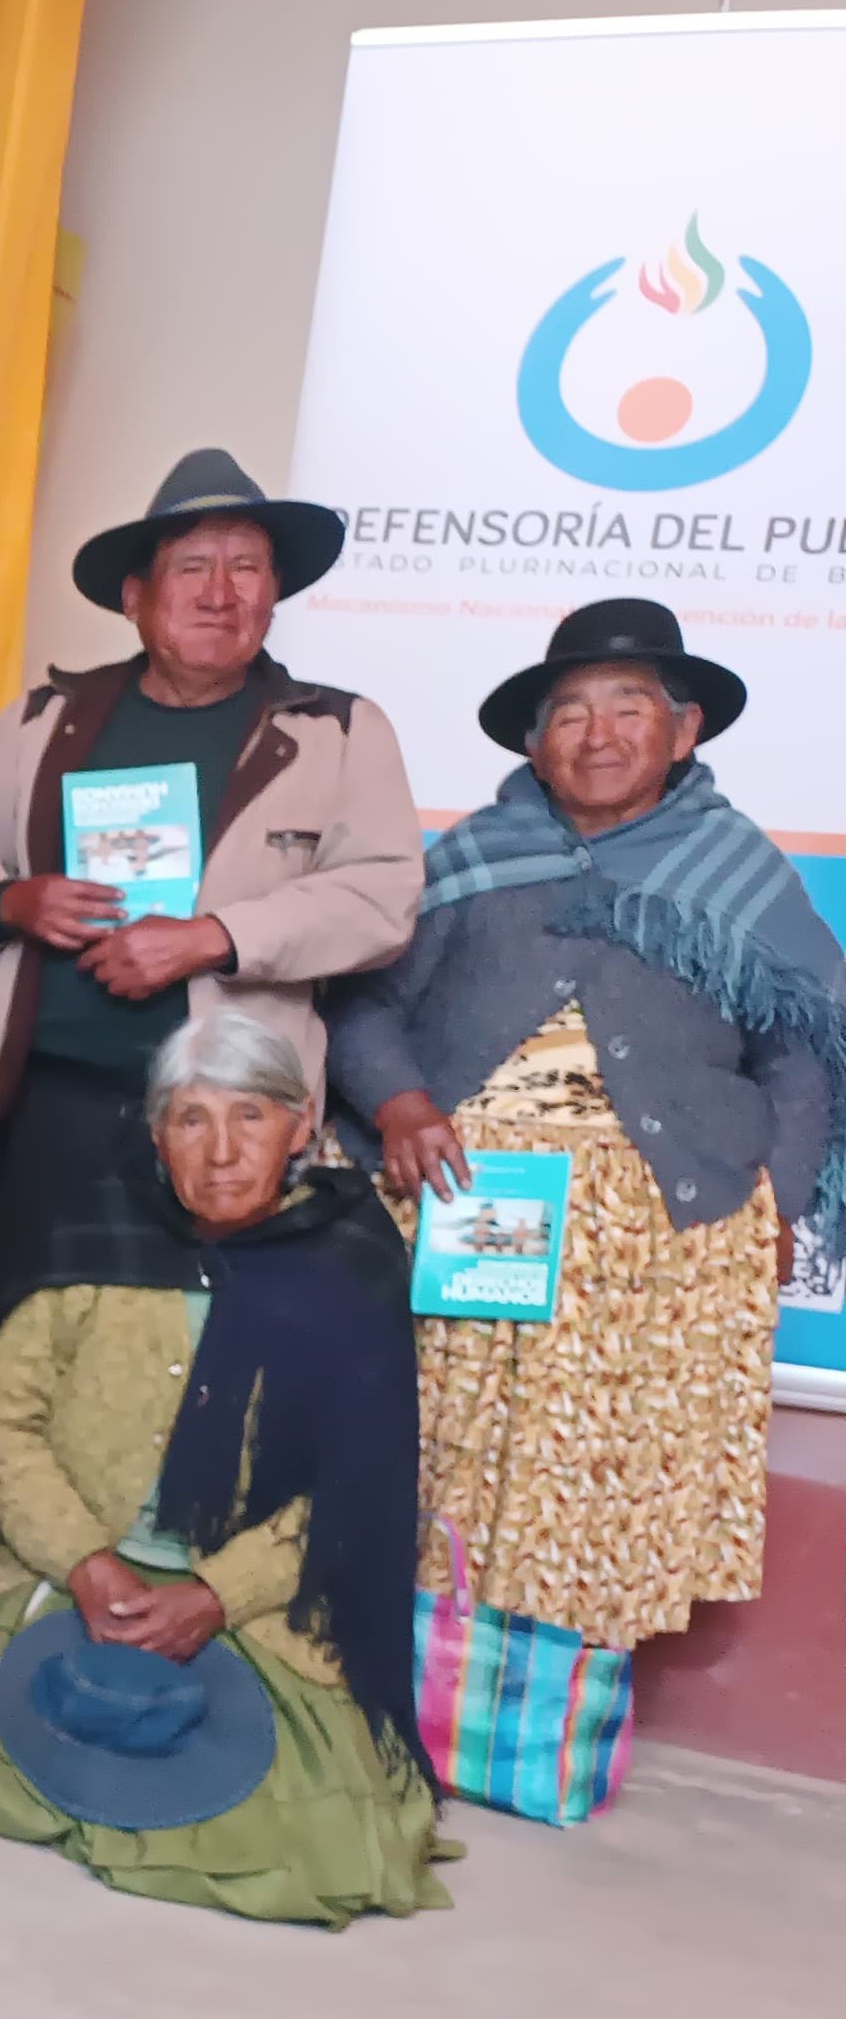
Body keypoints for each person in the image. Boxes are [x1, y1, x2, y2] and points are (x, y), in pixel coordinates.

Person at [332, 599, 842, 1657]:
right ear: (534, 743)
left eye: (628, 707)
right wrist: (400, 1101)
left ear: (684, 730)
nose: (597, 735)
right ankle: (431, 1681)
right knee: (448, 1458)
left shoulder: (739, 873)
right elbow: (363, 1005)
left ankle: (558, 1698)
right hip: (471, 1201)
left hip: (663, 1228)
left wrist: (779, 1198)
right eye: (569, 712)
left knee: (605, 1479)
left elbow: (802, 1050)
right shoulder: (470, 858)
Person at [0, 1009, 449, 1925]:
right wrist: (88, 1564)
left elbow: (356, 1482)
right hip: (75, 1579)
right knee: (0, 1725)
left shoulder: (348, 1260)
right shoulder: (97, 1235)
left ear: (301, 1125)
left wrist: (214, 1595)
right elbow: (2, 1422)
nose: (220, 1151)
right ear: (156, 1132)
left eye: (250, 1115)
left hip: (256, 1604)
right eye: (191, 1118)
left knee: (294, 1830)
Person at [0, 448, 422, 1371]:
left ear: (274, 595)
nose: (220, 592)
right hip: (41, 1116)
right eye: (193, 567)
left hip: (226, 1133)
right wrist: (14, 899)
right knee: (6, 1367)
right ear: (136, 597)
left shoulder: (336, 730)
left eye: (246, 567)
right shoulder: (44, 718)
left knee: (190, 1378)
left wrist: (215, 938)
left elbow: (381, 895)